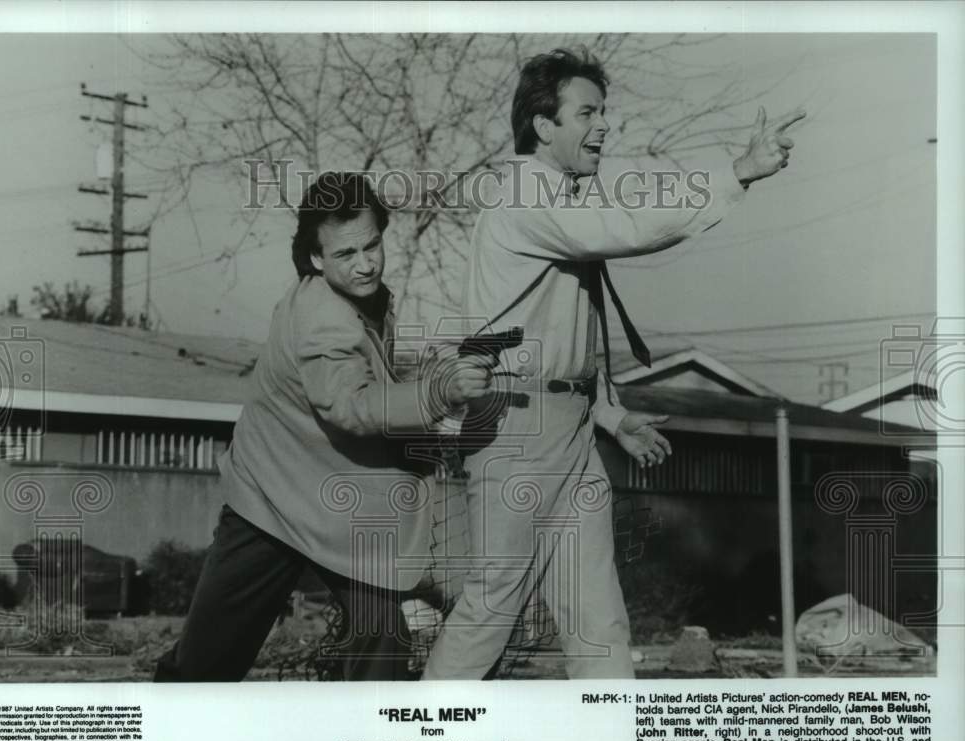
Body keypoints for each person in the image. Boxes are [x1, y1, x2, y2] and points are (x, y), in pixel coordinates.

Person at [423, 48, 804, 680]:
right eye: (588, 112)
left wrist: (609, 413)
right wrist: (737, 173)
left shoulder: (563, 202)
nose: (604, 126)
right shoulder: (524, 193)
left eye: (605, 113)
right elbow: (623, 226)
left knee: (598, 620)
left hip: (569, 432)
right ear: (544, 126)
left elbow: (561, 336)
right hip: (515, 428)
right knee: (492, 609)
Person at [155, 172, 494, 682]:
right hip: (268, 503)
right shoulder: (323, 316)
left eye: (372, 246)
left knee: (382, 637)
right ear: (316, 258)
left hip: (334, 509)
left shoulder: (363, 299)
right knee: (205, 666)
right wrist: (436, 393)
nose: (365, 264)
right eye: (345, 255)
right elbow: (348, 405)